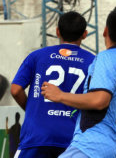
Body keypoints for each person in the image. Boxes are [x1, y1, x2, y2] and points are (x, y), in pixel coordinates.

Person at [41, 6, 116, 158]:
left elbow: (100, 100)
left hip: (89, 147)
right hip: (114, 150)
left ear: (105, 31)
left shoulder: (107, 57)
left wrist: (60, 95)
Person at [11, 11, 95, 158]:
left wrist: (31, 109)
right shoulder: (93, 61)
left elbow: (15, 90)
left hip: (37, 136)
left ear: (57, 32)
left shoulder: (37, 56)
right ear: (85, 34)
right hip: (73, 140)